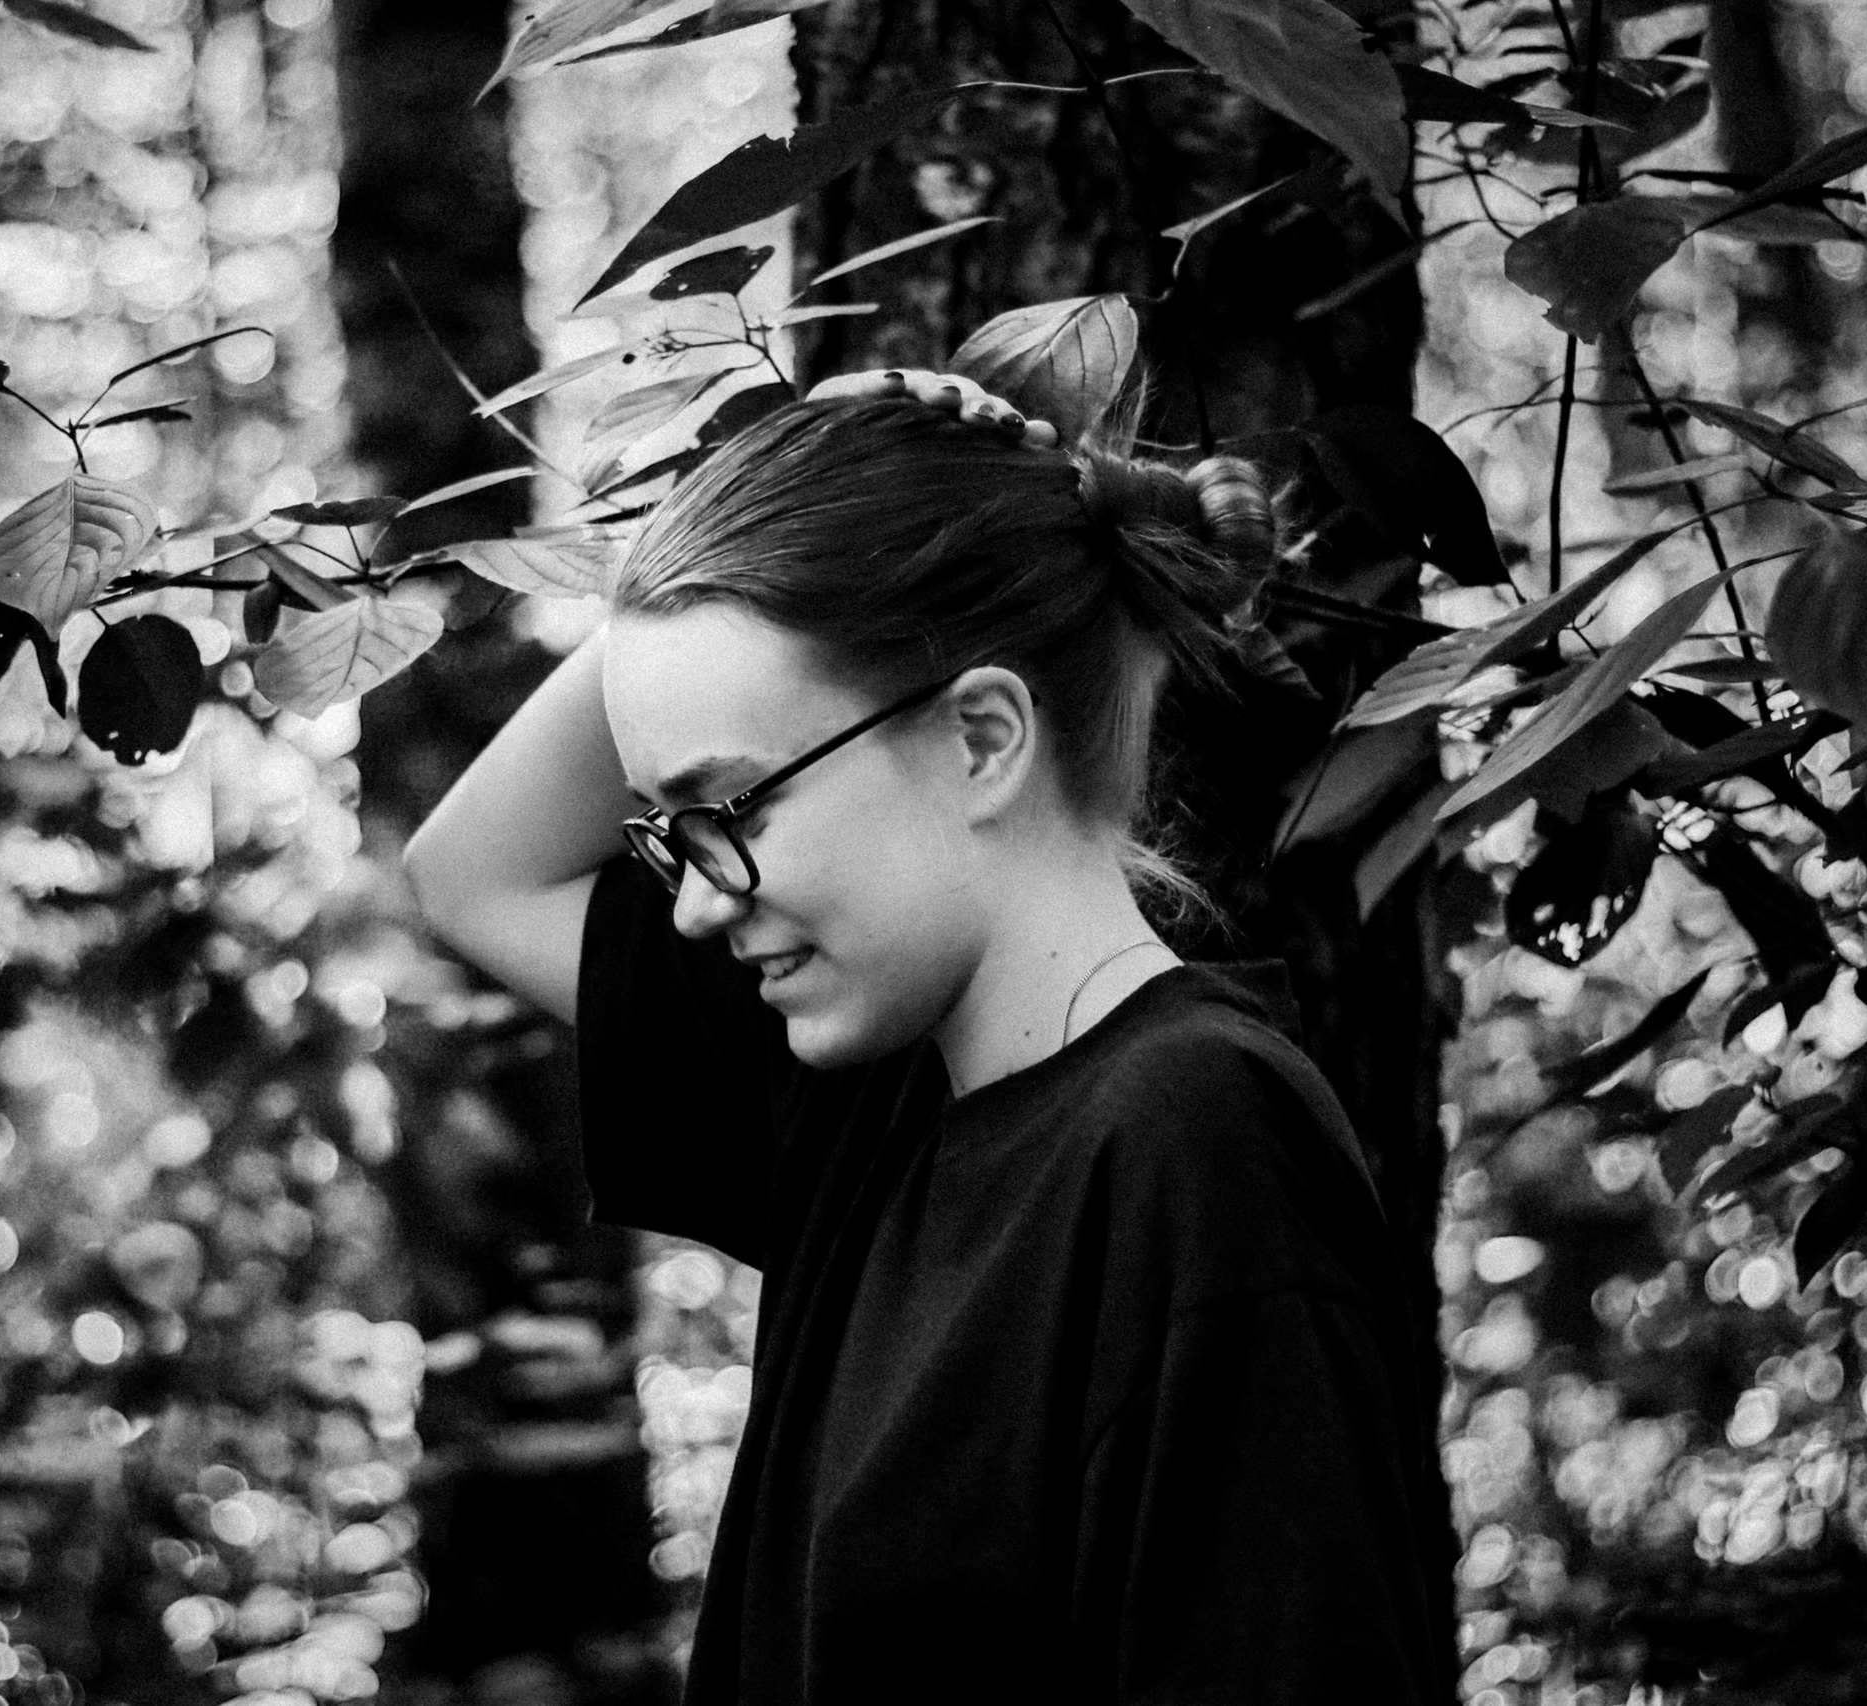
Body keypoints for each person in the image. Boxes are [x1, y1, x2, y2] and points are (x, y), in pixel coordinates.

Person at [403, 369, 1458, 1704]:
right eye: (676, 832)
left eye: (734, 807)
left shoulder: (1195, 1144)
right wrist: (781, 495)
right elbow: (472, 875)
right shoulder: (861, 1089)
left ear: (982, 737)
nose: (696, 903)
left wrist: (799, 534)